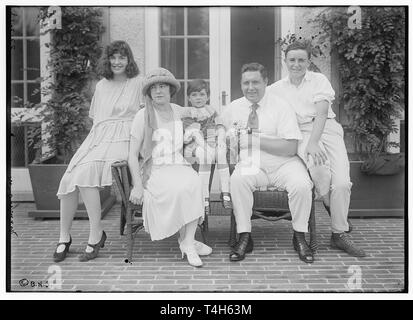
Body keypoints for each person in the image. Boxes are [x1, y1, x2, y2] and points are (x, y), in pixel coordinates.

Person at [268, 40, 366, 257]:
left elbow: (322, 113)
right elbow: (257, 103)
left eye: (301, 60)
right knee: (318, 166)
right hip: (300, 132)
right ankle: (331, 205)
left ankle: (337, 235)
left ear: (308, 61)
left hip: (327, 129)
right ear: (285, 62)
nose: (296, 64)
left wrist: (314, 142)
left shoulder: (319, 80)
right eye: (292, 60)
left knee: (342, 183)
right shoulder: (275, 89)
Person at [54, 40, 144, 262]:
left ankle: (96, 234)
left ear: (128, 59)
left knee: (85, 175)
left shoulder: (138, 82)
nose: (117, 61)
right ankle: (64, 237)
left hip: (125, 136)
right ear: (108, 60)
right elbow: (97, 119)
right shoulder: (102, 85)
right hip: (99, 136)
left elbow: (145, 117)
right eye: (113, 57)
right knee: (69, 179)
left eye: (122, 57)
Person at [219, 62, 315, 263]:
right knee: (237, 180)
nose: (250, 87)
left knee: (302, 184)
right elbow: (221, 136)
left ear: (266, 82)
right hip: (252, 165)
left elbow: (290, 148)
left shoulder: (281, 106)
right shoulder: (233, 108)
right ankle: (244, 236)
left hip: (283, 164)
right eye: (246, 83)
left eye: (255, 82)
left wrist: (255, 139)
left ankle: (299, 236)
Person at [128, 68, 212, 268]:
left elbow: (205, 115)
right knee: (179, 188)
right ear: (149, 92)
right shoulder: (143, 115)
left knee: (194, 183)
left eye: (163, 86)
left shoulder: (178, 110)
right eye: (154, 87)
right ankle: (188, 243)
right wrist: (137, 186)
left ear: (170, 89)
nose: (158, 91)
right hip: (155, 168)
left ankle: (188, 242)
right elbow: (131, 155)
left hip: (179, 164)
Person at [182, 79, 233, 215]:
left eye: (202, 94)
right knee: (204, 157)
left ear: (208, 96)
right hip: (195, 144)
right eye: (194, 95)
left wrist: (221, 139)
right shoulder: (187, 113)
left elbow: (220, 125)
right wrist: (205, 146)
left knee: (221, 153)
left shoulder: (211, 110)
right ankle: (205, 197)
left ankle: (225, 192)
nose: (198, 98)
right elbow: (194, 133)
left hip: (212, 141)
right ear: (188, 97)